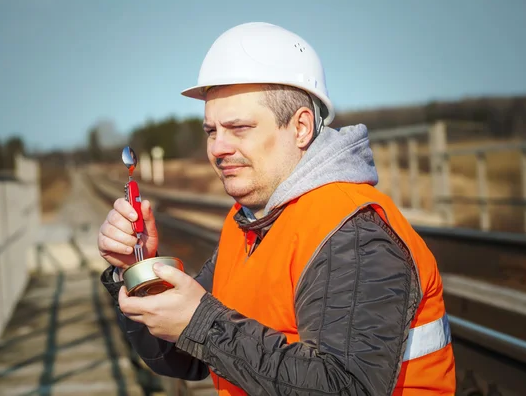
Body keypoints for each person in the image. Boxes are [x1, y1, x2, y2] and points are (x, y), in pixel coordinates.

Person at [97, 22, 456, 395]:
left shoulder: (352, 232)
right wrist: (135, 271)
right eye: (211, 131)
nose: (217, 148)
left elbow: (345, 387)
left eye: (238, 128)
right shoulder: (250, 225)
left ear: (301, 127)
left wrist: (202, 323)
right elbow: (181, 355)